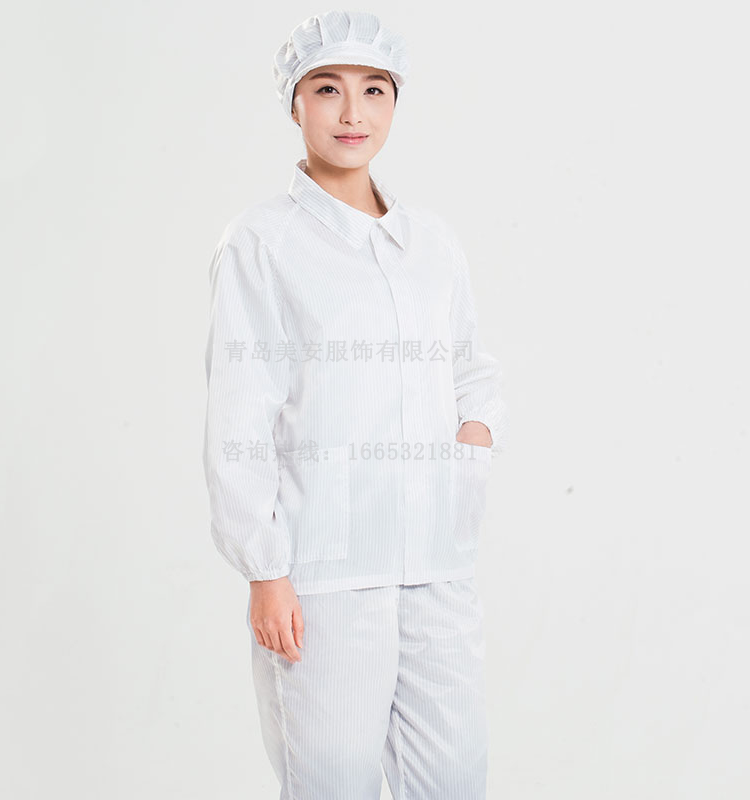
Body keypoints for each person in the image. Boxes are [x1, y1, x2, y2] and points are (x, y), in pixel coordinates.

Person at [202, 10, 508, 799]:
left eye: (374, 90)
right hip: (324, 576)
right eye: (327, 88)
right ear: (295, 102)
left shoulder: (432, 242)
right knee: (332, 784)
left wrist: (474, 437)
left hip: (438, 566)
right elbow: (241, 411)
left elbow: (471, 367)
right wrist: (266, 570)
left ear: (395, 103)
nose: (352, 112)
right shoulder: (262, 243)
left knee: (455, 781)